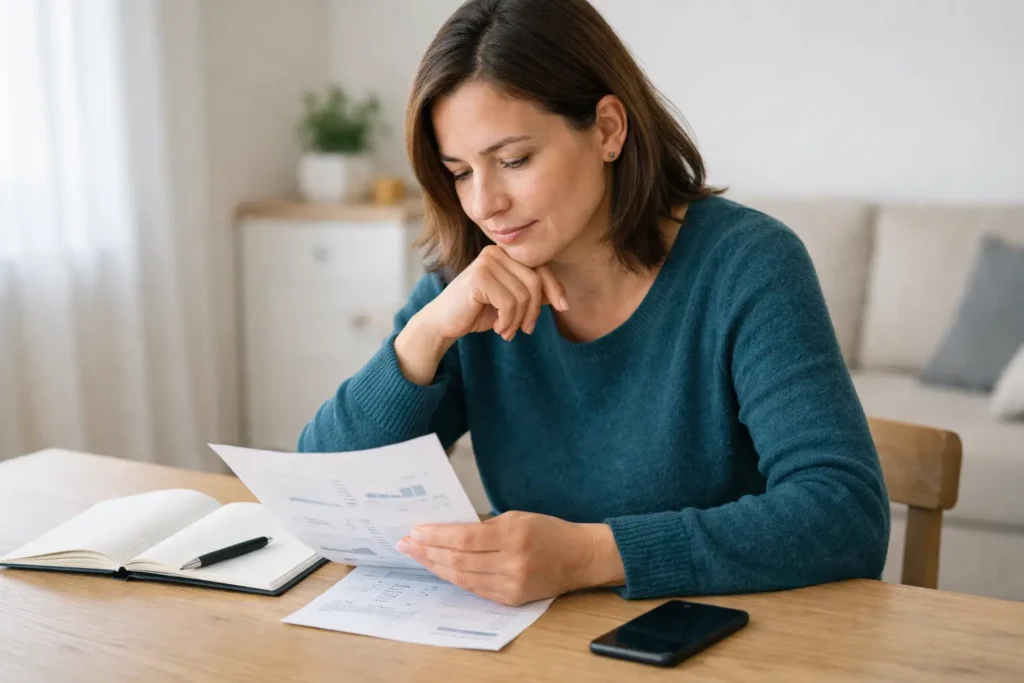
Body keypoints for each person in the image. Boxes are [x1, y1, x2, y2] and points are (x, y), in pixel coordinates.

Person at [298, 0, 890, 607]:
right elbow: (319, 493)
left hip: (717, 643)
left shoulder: (747, 265)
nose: (485, 204)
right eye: (460, 172)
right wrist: (422, 338)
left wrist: (589, 556)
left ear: (608, 129)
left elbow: (846, 514)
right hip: (532, 648)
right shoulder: (472, 282)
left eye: (513, 161)